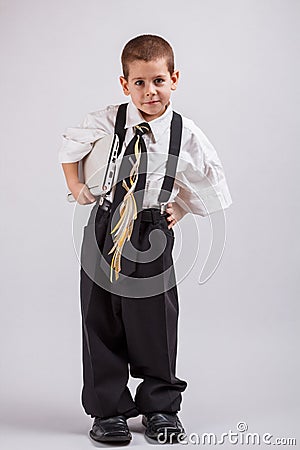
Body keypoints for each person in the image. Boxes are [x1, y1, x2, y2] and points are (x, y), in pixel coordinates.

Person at [59, 34, 232, 445]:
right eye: (139, 82)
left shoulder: (184, 132)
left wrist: (183, 207)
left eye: (158, 80)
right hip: (105, 225)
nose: (149, 91)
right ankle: (108, 410)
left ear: (174, 79)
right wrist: (77, 186)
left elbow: (213, 181)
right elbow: (69, 146)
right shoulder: (107, 119)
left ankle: (159, 407)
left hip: (150, 230)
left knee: (153, 318)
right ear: (125, 84)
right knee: (100, 315)